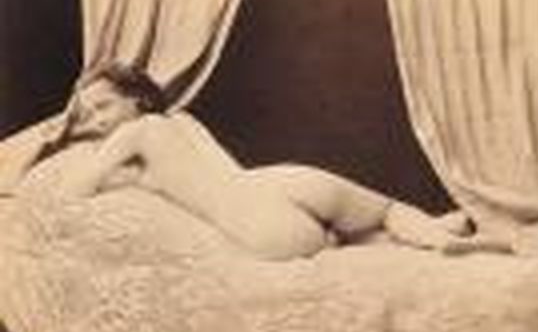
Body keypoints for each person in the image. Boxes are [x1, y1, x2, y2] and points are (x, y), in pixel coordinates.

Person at [24, 63, 498, 260]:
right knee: (383, 212)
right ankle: (440, 236)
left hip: (256, 224)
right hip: (280, 182)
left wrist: (70, 139)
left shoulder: (136, 133)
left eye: (102, 108)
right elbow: (221, 171)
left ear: (137, 101)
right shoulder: (183, 122)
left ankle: (436, 239)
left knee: (330, 244)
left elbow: (71, 192)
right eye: (88, 115)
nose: (96, 121)